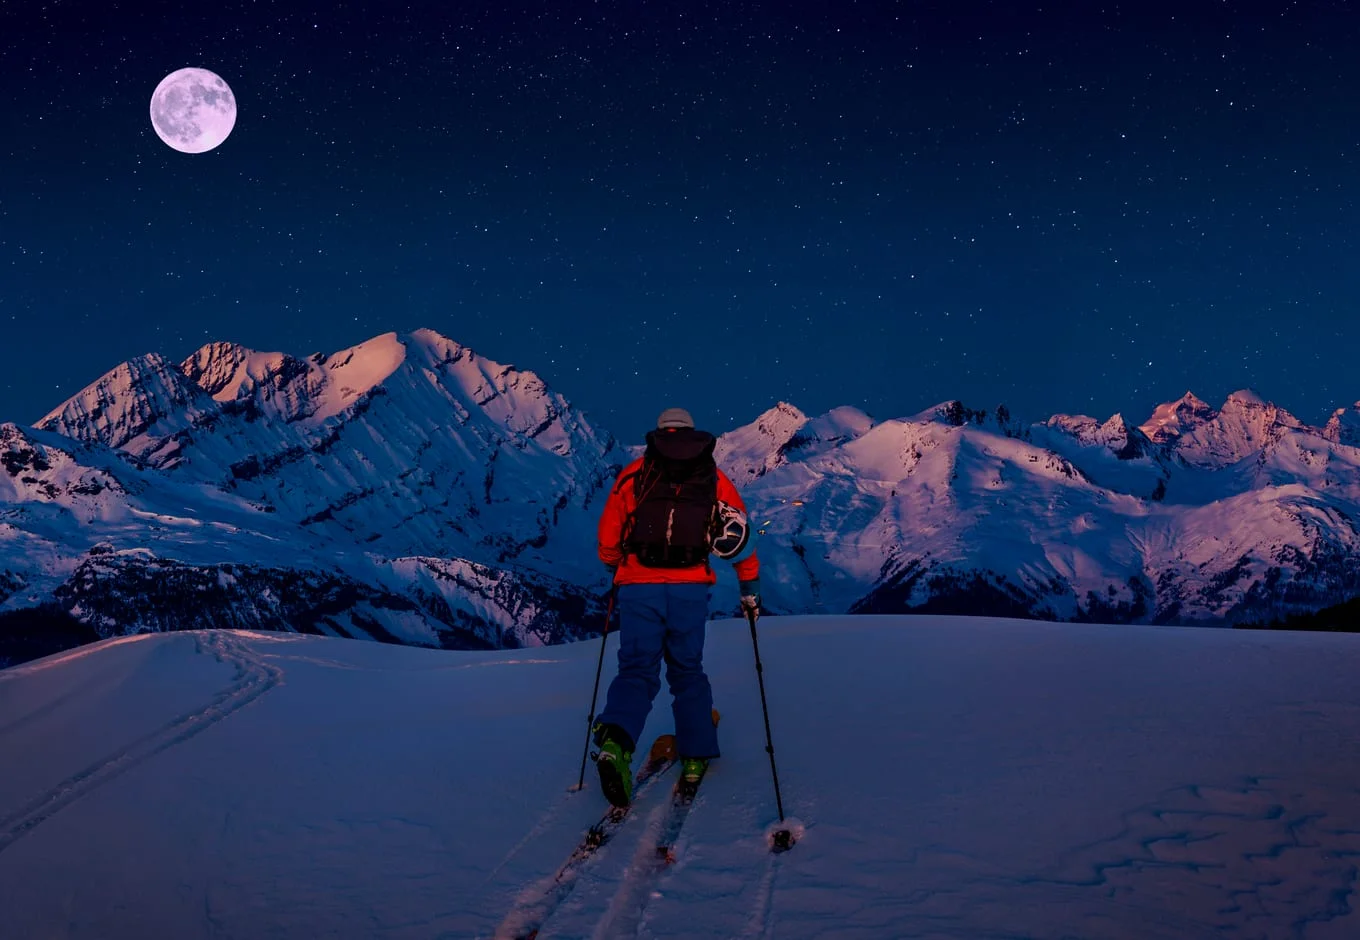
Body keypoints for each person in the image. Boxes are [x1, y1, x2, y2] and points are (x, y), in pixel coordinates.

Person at [591, 407, 761, 806]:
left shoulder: (634, 473)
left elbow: (608, 535)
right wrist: (749, 587)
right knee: (687, 671)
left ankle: (616, 742)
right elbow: (742, 534)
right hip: (689, 588)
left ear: (658, 434)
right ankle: (696, 756)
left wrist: (616, 566)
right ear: (691, 433)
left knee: (636, 669)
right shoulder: (714, 478)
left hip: (637, 586)